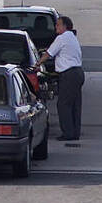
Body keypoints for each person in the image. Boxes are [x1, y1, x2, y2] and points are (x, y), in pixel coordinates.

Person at [33, 14, 84, 143]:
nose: (55, 27)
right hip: (77, 73)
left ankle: (67, 133)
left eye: (58, 24)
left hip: (69, 75)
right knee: (74, 104)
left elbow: (49, 53)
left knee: (63, 104)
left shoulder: (62, 38)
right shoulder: (72, 37)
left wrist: (37, 64)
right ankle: (74, 132)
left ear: (65, 26)